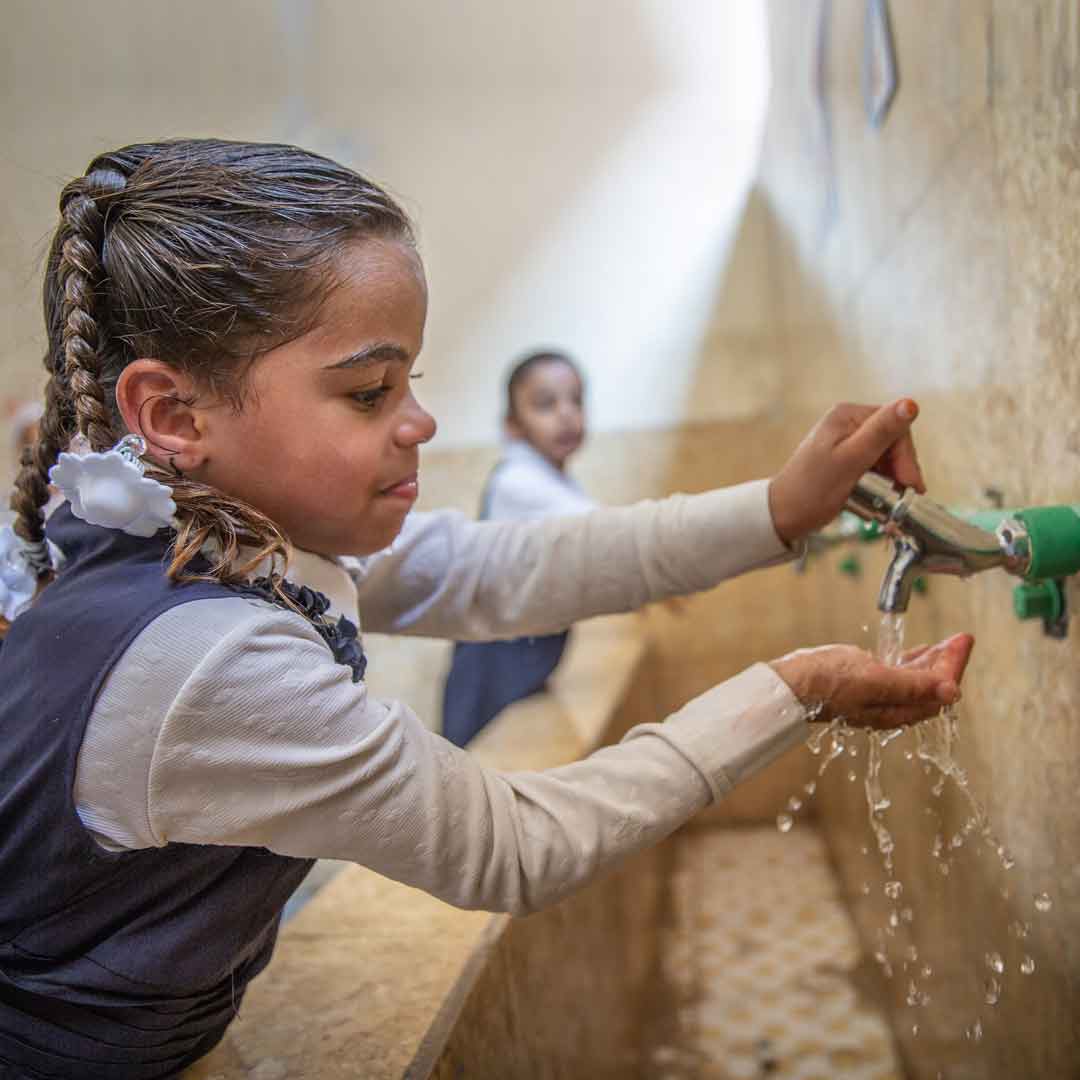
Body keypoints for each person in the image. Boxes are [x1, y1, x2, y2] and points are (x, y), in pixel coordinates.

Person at [0, 139, 973, 1079]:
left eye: (410, 382)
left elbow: (494, 570)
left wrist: (779, 508)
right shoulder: (204, 661)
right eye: (370, 390)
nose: (419, 421)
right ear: (174, 417)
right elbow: (514, 845)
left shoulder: (222, 541)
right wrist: (793, 690)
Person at [441, 349, 594, 746]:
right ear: (512, 425)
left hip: (523, 657)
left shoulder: (553, 480)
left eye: (576, 400)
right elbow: (607, 534)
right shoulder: (517, 480)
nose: (566, 413)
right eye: (546, 404)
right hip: (493, 665)